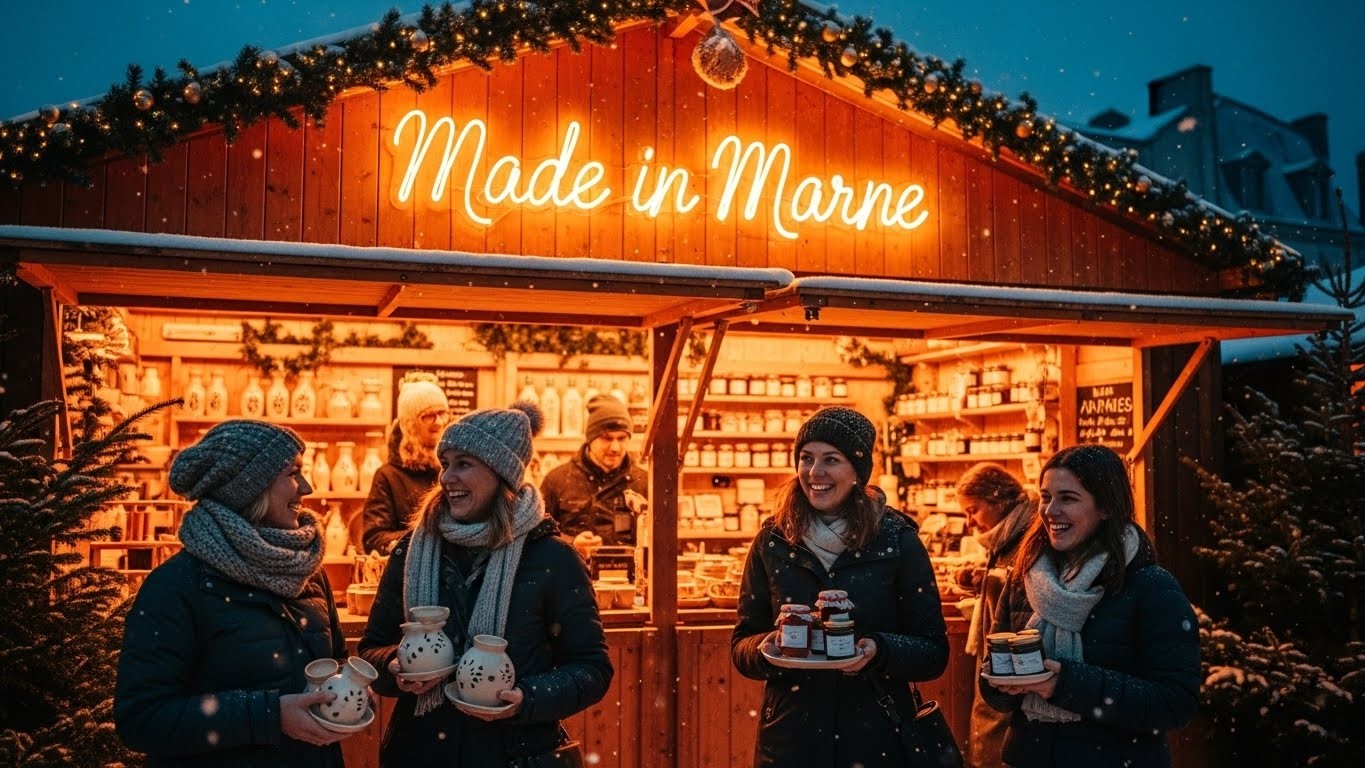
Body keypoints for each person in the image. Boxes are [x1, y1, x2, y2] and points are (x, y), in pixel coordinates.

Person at [357, 400, 613, 767]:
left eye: (464, 464)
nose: (446, 478)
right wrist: (395, 667)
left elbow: (592, 668)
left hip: (514, 753)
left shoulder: (552, 558)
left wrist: (526, 697)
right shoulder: (413, 551)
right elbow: (370, 650)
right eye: (445, 463)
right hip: (421, 752)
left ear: (501, 473)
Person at [115, 420, 349, 766]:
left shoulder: (308, 572)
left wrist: (352, 688)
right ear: (248, 488)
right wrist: (270, 716)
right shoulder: (177, 586)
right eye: (292, 473)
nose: (306, 487)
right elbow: (142, 718)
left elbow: (336, 660)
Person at [730, 406, 949, 768]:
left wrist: (877, 650)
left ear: (857, 472)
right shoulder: (773, 540)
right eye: (806, 458)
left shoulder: (896, 540)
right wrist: (764, 650)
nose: (815, 473)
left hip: (878, 734)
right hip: (790, 738)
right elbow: (742, 644)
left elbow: (933, 651)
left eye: (831, 459)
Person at [981, 444, 1199, 768]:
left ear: (1106, 508)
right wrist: (1000, 684)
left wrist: (1063, 684)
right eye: (1045, 497)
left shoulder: (1151, 587)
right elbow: (994, 685)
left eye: (1067, 498)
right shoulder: (1025, 578)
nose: (1050, 511)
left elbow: (1174, 703)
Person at [953, 463, 1039, 768]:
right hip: (1006, 660)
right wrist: (983, 578)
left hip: (1013, 660)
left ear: (997, 499)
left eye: (972, 510)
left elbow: (1024, 591)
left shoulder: (1026, 533)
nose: (969, 521)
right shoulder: (1009, 531)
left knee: (997, 734)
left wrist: (991, 581)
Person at [540, 393, 648, 558]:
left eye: (622, 438)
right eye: (607, 438)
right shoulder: (557, 480)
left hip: (630, 580)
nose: (615, 447)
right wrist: (571, 543)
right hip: (574, 578)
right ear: (590, 438)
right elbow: (537, 535)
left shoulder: (644, 482)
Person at [362, 375, 449, 554]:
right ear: (410, 425)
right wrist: (428, 539)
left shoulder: (454, 469)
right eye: (428, 416)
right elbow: (374, 539)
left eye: (442, 413)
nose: (439, 422)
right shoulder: (387, 476)